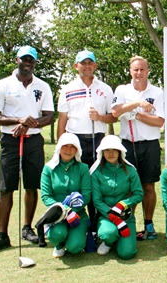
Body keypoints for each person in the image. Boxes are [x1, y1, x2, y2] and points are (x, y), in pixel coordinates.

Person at [0, 46, 54, 255]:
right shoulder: (3, 84)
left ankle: (27, 228)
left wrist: (28, 125)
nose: (27, 62)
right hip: (10, 140)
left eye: (31, 59)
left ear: (35, 62)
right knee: (6, 188)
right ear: (17, 60)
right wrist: (18, 120)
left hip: (33, 141)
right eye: (24, 59)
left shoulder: (43, 86)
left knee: (32, 187)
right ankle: (2, 235)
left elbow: (49, 116)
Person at [57, 50, 117, 223]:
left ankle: (97, 221)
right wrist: (61, 145)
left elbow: (113, 116)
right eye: (83, 63)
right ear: (76, 66)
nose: (87, 66)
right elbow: (62, 119)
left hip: (97, 139)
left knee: (96, 181)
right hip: (74, 140)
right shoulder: (67, 89)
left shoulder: (105, 89)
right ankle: (74, 219)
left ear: (95, 66)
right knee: (77, 181)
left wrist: (100, 117)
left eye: (90, 63)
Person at [111, 55, 165, 240]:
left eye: (142, 69)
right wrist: (137, 104)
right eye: (136, 69)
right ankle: (129, 223)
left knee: (148, 186)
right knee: (129, 188)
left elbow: (159, 121)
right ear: (130, 71)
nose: (139, 73)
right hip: (127, 145)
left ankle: (149, 225)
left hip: (149, 144)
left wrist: (137, 115)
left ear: (148, 71)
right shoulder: (122, 90)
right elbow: (116, 111)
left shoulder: (157, 92)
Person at [90, 135, 144, 259]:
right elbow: (97, 201)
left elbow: (139, 194)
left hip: (126, 216)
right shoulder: (96, 172)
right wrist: (113, 216)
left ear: (120, 151)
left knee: (127, 253)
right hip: (106, 215)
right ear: (102, 153)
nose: (111, 153)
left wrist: (122, 205)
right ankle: (108, 241)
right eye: (107, 150)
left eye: (114, 150)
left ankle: (121, 239)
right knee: (108, 233)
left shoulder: (130, 170)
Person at [40, 133, 91, 258]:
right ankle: (59, 244)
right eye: (65, 146)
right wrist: (65, 211)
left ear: (77, 150)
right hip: (56, 214)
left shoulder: (83, 168)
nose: (68, 150)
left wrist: (73, 211)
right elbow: (46, 196)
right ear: (59, 148)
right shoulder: (48, 169)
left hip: (78, 214)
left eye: (72, 147)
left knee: (75, 247)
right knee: (57, 234)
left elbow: (87, 195)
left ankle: (75, 238)